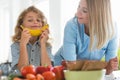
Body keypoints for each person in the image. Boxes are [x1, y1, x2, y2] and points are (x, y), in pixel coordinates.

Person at [54, 0, 119, 75]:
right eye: (79, 7)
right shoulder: (72, 25)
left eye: (84, 11)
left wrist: (106, 67)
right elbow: (70, 65)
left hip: (88, 71)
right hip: (63, 66)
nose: (77, 13)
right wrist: (98, 66)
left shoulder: (112, 28)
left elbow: (110, 67)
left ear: (97, 14)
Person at [11, 6, 53, 71]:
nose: (35, 22)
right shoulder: (16, 45)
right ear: (21, 25)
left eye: (38, 20)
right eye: (30, 20)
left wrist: (43, 45)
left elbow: (48, 69)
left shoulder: (46, 45)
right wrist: (23, 44)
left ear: (42, 25)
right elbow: (22, 69)